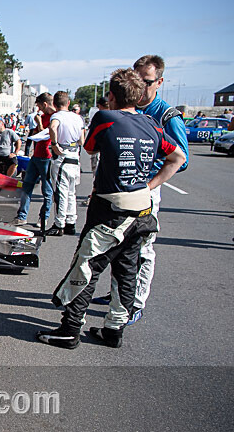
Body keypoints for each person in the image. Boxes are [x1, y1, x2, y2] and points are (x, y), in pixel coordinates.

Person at [38, 68, 186, 349]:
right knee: (126, 271)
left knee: (86, 267)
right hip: (142, 211)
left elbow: (90, 148)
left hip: (111, 210)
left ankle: (70, 330)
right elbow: (177, 157)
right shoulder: (152, 125)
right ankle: (114, 329)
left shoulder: (105, 118)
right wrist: (149, 186)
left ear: (111, 96)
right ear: (139, 96)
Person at [93, 55, 190, 325]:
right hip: (117, 191)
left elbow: (181, 160)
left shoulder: (167, 116)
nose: (140, 86)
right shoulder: (125, 109)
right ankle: (118, 295)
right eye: (137, 80)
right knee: (116, 246)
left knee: (142, 249)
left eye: (146, 82)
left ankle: (135, 302)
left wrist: (147, 180)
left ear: (159, 82)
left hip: (144, 191)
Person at [44, 91, 85, 236]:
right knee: (71, 191)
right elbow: (82, 140)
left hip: (62, 155)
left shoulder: (57, 116)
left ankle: (59, 223)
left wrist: (54, 143)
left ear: (54, 104)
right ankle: (71, 222)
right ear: (68, 103)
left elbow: (53, 127)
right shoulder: (78, 118)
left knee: (61, 191)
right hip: (74, 155)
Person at [13, 93, 56, 227]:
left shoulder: (55, 118)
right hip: (36, 155)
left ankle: (43, 218)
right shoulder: (42, 117)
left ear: (45, 104)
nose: (38, 109)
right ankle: (22, 216)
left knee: (47, 189)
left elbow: (47, 134)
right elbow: (36, 134)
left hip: (47, 157)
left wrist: (40, 124)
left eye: (39, 106)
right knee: (27, 186)